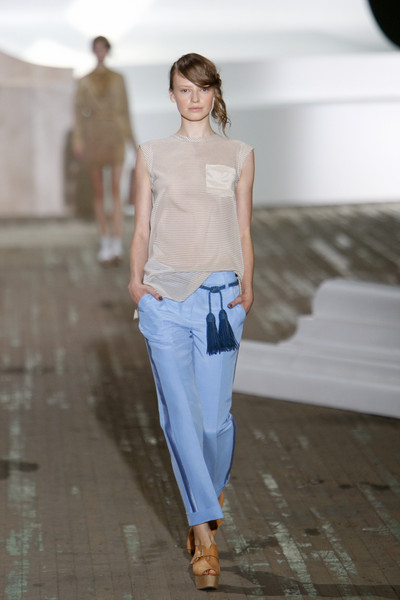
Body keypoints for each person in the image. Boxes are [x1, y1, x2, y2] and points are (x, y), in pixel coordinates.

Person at [128, 53, 255, 591]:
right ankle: (204, 538)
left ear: (215, 92)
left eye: (202, 88)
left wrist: (249, 288)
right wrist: (136, 284)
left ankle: (207, 491)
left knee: (213, 423)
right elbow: (141, 228)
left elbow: (243, 230)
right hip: (165, 300)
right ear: (172, 95)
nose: (194, 97)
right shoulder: (151, 154)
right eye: (184, 89)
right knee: (180, 417)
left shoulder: (239, 153)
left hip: (221, 303)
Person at [73, 35, 138, 264]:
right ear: (93, 51)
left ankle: (117, 240)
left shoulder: (119, 79)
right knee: (99, 191)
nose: (100, 51)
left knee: (116, 190)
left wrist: (133, 141)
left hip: (115, 135)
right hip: (94, 135)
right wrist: (78, 139)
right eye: (97, 48)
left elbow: (125, 110)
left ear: (107, 50)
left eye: (103, 48)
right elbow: (78, 112)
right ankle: (105, 240)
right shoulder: (84, 80)